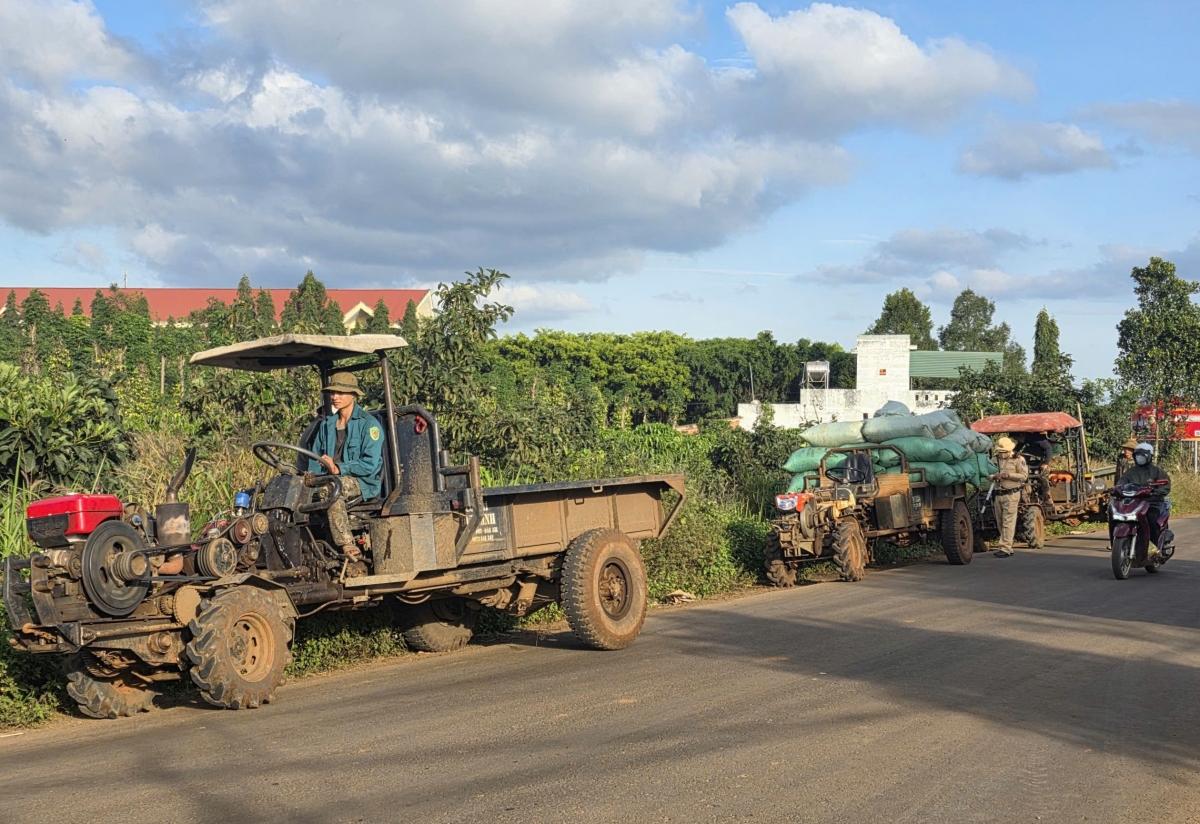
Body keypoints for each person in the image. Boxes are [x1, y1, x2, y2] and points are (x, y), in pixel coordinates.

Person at [307, 371, 384, 557]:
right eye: (333, 392)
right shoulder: (326, 425)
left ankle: (347, 543)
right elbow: (314, 459)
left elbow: (370, 465)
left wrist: (339, 468)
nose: (335, 397)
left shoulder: (369, 424)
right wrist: (310, 480)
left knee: (331, 489)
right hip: (329, 479)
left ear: (353, 395)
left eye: (340, 393)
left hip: (361, 483)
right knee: (296, 492)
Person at [1115, 442, 1172, 556]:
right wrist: (1116, 489)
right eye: (1138, 455)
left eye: (1143, 455)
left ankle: (1156, 548)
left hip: (1153, 503)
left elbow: (1165, 486)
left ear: (1149, 456)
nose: (1140, 457)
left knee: (1151, 518)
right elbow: (1121, 483)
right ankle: (1119, 543)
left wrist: (1156, 491)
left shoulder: (1157, 471)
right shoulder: (1130, 472)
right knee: (1119, 516)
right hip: (1135, 503)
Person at [989, 436, 1029, 558]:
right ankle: (1007, 546)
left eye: (1004, 452)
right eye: (1000, 452)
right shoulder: (994, 459)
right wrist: (993, 476)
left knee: (1008, 521)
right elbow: (987, 474)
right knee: (1000, 521)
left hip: (1012, 493)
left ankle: (1005, 548)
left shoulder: (1018, 459)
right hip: (998, 494)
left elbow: (1023, 476)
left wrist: (1009, 475)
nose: (1002, 454)